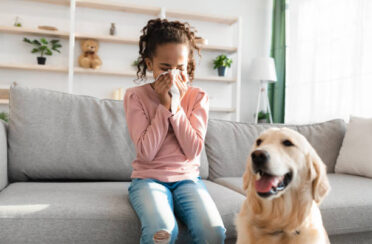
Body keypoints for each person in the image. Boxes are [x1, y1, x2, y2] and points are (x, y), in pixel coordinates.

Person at [123, 18, 226, 244]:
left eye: (180, 68)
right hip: (148, 179)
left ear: (188, 64)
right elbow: (146, 153)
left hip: (188, 179)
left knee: (214, 233)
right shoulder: (135, 96)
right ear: (149, 64)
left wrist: (176, 107)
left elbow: (193, 150)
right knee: (162, 233)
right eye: (165, 68)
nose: (173, 76)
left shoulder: (198, 97)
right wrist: (163, 107)